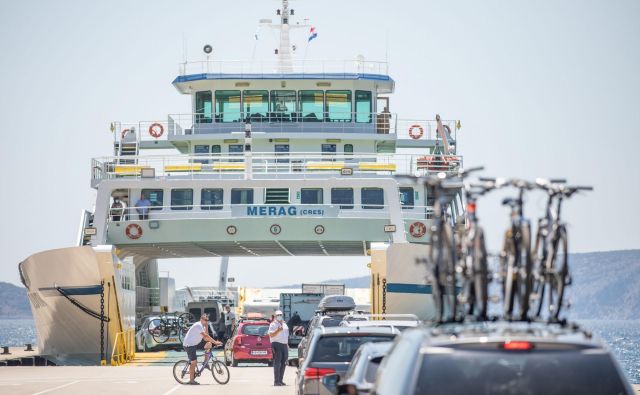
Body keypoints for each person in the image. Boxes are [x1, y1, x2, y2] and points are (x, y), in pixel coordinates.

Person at [182, 314, 222, 385]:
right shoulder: (198, 325)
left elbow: (205, 338)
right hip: (189, 345)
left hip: (195, 343)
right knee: (194, 362)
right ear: (201, 319)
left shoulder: (202, 326)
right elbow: (206, 336)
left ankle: (205, 363)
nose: (206, 322)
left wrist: (206, 326)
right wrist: (215, 342)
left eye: (207, 320)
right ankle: (191, 380)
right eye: (205, 320)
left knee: (209, 343)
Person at [268, 309, 289, 386]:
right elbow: (271, 335)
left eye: (280, 315)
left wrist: (287, 345)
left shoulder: (284, 324)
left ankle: (280, 380)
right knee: (277, 363)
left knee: (284, 363)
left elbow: (286, 335)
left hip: (284, 345)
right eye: (278, 315)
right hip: (276, 345)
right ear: (275, 316)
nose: (279, 316)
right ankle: (276, 381)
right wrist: (278, 330)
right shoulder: (273, 324)